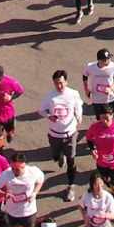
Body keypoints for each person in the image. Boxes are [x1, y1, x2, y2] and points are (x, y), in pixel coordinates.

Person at [37, 70, 83, 203]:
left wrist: (79, 116)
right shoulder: (50, 97)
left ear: (66, 82)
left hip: (70, 133)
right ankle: (59, 156)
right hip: (54, 134)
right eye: (57, 83)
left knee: (71, 160)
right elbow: (40, 109)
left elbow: (78, 106)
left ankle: (71, 186)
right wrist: (48, 116)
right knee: (55, 156)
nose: (59, 86)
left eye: (61, 83)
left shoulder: (73, 94)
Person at [85, 106, 114, 218]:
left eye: (107, 118)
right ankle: (108, 195)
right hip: (102, 162)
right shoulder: (94, 127)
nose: (104, 121)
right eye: (102, 118)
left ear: (113, 116)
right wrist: (92, 149)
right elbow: (89, 138)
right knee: (106, 180)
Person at [83, 48, 114, 117]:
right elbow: (85, 75)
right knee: (99, 119)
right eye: (107, 59)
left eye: (109, 58)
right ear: (101, 61)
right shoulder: (90, 67)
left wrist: (111, 88)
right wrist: (86, 89)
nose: (109, 61)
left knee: (111, 118)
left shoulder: (113, 66)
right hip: (97, 98)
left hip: (109, 98)